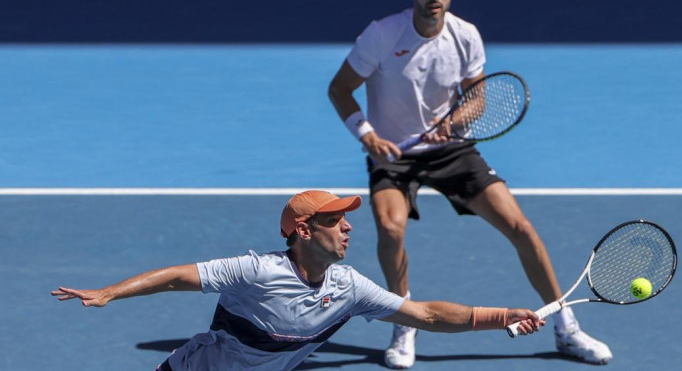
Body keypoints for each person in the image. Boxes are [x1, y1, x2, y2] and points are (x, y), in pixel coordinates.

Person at [328, 0, 612, 367]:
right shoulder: (381, 35)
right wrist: (367, 135)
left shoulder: (466, 36)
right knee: (390, 229)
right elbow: (340, 89)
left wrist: (454, 121)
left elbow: (476, 96)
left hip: (451, 150)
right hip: (393, 153)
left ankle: (565, 326)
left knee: (520, 226)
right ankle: (405, 324)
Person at [52, 190, 545, 371]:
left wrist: (502, 317)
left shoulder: (350, 287)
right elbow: (181, 276)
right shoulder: (258, 270)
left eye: (346, 219)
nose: (349, 226)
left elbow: (427, 314)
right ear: (304, 231)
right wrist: (110, 293)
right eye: (336, 221)